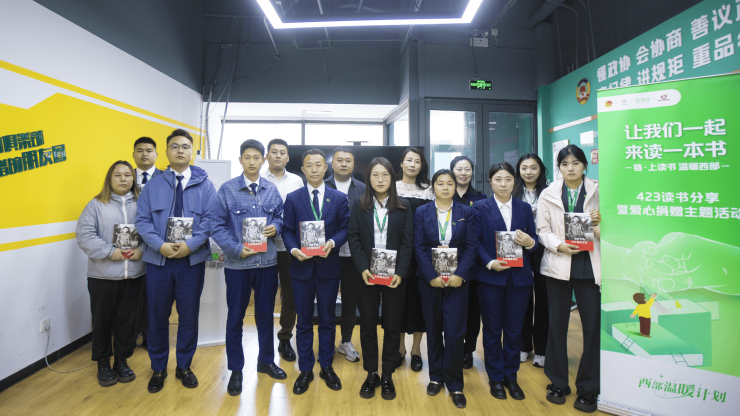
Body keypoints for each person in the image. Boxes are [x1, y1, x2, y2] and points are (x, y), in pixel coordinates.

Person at [135, 129, 217, 393]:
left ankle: (184, 366)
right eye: (174, 146)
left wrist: (190, 246)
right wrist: (159, 245)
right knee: (157, 316)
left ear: (192, 151)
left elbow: (210, 221)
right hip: (158, 261)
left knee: (188, 316)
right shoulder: (153, 185)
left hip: (190, 262)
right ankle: (158, 367)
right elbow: (142, 221)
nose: (180, 150)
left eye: (185, 146)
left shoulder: (206, 185)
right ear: (166, 151)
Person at [210, 139, 287, 396]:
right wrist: (235, 248)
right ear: (240, 160)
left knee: (265, 317)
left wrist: (276, 227)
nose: (252, 162)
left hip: (267, 264)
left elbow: (281, 216)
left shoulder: (271, 190)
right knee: (235, 318)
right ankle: (236, 369)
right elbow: (216, 226)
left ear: (263, 160)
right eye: (247, 157)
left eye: (256, 157)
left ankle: (266, 361)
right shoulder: (227, 189)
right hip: (237, 265)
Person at [537, 144, 601, 413]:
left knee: (592, 327)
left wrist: (598, 224)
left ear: (585, 165)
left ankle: (589, 388)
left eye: (575, 163)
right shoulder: (549, 193)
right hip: (559, 264)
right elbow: (542, 229)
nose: (570, 168)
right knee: (557, 324)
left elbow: (613, 229)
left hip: (589, 265)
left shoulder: (599, 190)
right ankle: (558, 382)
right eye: (565, 164)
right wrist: (558, 245)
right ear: (559, 168)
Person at [282, 148, 350, 395]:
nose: (313, 169)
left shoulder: (338, 198)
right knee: (303, 321)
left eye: (318, 164)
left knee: (328, 319)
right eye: (309, 165)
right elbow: (287, 230)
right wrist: (293, 250)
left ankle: (327, 366)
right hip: (301, 267)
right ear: (303, 169)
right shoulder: (293, 198)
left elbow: (344, 228)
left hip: (328, 268)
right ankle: (306, 369)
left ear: (325, 168)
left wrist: (332, 243)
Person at [470, 162, 538, 402]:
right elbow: (474, 242)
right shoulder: (480, 207)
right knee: (491, 329)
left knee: (514, 330)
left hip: (520, 279)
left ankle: (511, 376)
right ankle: (495, 377)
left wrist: (530, 242)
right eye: (498, 179)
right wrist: (489, 262)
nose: (503, 184)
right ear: (490, 182)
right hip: (490, 277)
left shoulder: (524, 208)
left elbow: (534, 239)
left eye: (508, 179)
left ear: (514, 182)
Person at [347, 157, 413, 400]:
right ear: (369, 179)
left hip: (394, 275)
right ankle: (371, 373)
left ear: (392, 178)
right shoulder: (359, 204)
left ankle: (387, 374)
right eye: (375, 175)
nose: (380, 179)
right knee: (367, 324)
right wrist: (363, 268)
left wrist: (400, 272)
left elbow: (407, 242)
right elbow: (353, 237)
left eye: (385, 174)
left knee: (393, 325)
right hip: (367, 274)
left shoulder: (403, 206)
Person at [76, 160, 145, 387]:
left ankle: (122, 361)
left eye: (128, 175)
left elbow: (151, 233)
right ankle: (103, 362)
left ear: (133, 179)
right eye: (118, 175)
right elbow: (85, 236)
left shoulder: (143, 205)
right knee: (102, 321)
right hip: (102, 276)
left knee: (128, 322)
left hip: (134, 274)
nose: (123, 179)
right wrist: (109, 252)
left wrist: (142, 250)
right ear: (110, 178)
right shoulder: (95, 205)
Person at [414, 169, 477, 409]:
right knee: (433, 328)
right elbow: (419, 246)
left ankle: (455, 384)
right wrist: (430, 276)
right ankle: (435, 377)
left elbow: (471, 246)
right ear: (433, 186)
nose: (445, 187)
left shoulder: (466, 212)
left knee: (454, 332)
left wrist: (460, 274)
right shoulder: (422, 212)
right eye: (440, 183)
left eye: (449, 183)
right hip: (429, 281)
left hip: (457, 281)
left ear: (455, 186)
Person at [262, 139, 304, 362]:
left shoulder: (297, 181)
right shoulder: (258, 179)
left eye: (282, 152)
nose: (278, 156)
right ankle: (264, 340)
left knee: (290, 295)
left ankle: (285, 337)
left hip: (290, 247)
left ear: (288, 158)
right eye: (274, 152)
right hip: (263, 247)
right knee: (265, 296)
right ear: (267, 156)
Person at [325, 146, 366, 363]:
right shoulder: (322, 186)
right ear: (332, 164)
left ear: (353, 164)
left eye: (348, 160)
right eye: (339, 160)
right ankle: (327, 342)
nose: (343, 164)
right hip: (327, 251)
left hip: (353, 253)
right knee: (327, 298)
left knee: (350, 299)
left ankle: (346, 341)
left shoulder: (363, 188)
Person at [394, 147, 433, 372]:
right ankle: (400, 349)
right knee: (398, 302)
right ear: (401, 163)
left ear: (421, 166)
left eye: (417, 161)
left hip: (422, 254)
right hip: (397, 254)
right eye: (408, 160)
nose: (412, 165)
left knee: (419, 302)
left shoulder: (429, 190)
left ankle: (416, 350)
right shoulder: (391, 187)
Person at [450, 156, 487, 370]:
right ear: (452, 171)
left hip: (473, 264)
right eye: (459, 169)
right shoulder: (444, 194)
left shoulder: (481, 198)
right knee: (451, 310)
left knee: (473, 310)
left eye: (467, 169)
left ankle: (468, 350)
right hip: (447, 263)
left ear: (472, 172)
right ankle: (451, 348)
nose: (463, 173)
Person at [512, 154, 549, 369]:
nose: (528, 172)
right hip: (519, 248)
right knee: (523, 298)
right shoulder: (512, 191)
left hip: (545, 248)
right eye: (524, 168)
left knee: (544, 299)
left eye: (533, 168)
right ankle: (523, 346)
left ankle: (542, 349)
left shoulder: (550, 192)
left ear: (540, 170)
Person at [132, 136, 162, 349]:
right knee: (132, 293)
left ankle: (150, 335)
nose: (144, 154)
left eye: (149, 150)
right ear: (134, 154)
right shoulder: (125, 176)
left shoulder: (166, 178)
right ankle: (130, 334)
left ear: (156, 154)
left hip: (158, 242)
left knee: (153, 294)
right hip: (130, 242)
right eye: (140, 150)